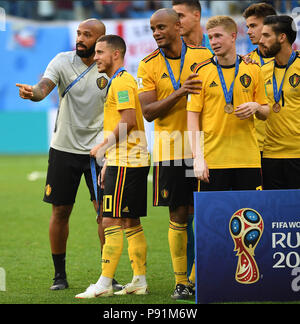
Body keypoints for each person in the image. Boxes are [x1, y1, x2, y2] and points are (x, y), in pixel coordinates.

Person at [16, 19, 121, 291]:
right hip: (63, 148)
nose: (80, 38)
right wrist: (33, 94)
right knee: (61, 211)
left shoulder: (110, 69)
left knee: (104, 213)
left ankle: (106, 275)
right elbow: (44, 87)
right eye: (78, 33)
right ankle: (59, 276)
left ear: (101, 40)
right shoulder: (62, 61)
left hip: (98, 152)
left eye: (87, 35)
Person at [137, 8, 212, 300]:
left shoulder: (203, 57)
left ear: (178, 26)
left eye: (161, 27)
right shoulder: (147, 65)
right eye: (152, 28)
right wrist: (180, 92)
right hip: (170, 150)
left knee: (204, 213)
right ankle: (182, 282)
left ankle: (197, 277)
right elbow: (148, 112)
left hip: (203, 148)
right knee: (179, 215)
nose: (156, 33)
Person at [75, 35, 150, 299]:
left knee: (110, 220)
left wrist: (102, 147)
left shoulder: (121, 82)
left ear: (115, 54)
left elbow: (128, 120)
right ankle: (139, 280)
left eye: (99, 52)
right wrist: (109, 162)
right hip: (128, 160)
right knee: (130, 221)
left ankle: (105, 283)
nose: (95, 57)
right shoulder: (121, 81)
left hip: (128, 161)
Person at [187, 16, 270, 191]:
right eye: (210, 37)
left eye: (218, 36)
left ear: (233, 36)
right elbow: (192, 117)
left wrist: (256, 107)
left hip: (248, 160)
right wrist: (198, 157)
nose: (213, 42)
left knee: (250, 216)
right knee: (214, 218)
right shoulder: (200, 72)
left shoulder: (253, 69)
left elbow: (266, 111)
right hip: (213, 161)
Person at [260, 15, 300, 189]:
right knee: (274, 214)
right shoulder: (262, 71)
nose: (261, 41)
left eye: (266, 36)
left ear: (282, 37)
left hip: (298, 154)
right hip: (270, 155)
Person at [243, 3, 277, 155]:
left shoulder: (292, 60)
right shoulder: (245, 63)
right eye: (247, 27)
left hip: (291, 147)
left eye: (253, 26)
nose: (249, 31)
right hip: (258, 147)